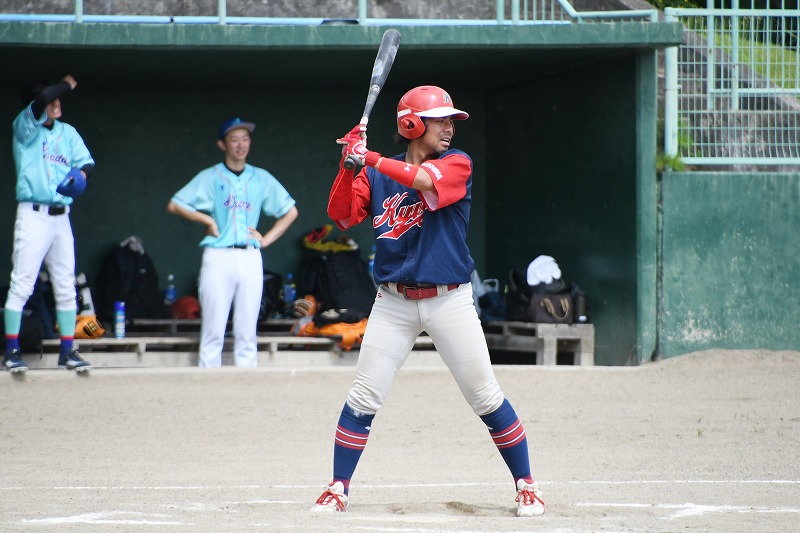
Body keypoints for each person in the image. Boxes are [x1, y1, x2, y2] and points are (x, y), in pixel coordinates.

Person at [311, 86, 545, 516]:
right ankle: (338, 487)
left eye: (451, 120)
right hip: (393, 302)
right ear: (410, 124)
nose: (449, 128)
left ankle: (526, 484)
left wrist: (369, 157)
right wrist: (348, 165)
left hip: (448, 300)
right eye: (440, 120)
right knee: (363, 396)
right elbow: (341, 215)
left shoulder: (457, 163)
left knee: (485, 395)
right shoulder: (377, 172)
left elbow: (423, 181)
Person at [167, 118, 298, 367]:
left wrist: (266, 240)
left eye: (245, 139)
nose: (241, 144)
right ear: (222, 144)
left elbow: (290, 211)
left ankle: (246, 386)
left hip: (250, 255)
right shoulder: (210, 176)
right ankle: (208, 382)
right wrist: (205, 219)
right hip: (218, 255)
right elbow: (175, 204)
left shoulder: (260, 177)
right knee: (213, 329)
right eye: (234, 139)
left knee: (247, 329)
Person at [4, 75, 94, 374]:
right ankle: (12, 351)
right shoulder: (25, 127)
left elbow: (86, 162)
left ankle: (68, 351)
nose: (56, 102)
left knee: (66, 285)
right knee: (23, 283)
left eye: (57, 98)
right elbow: (42, 99)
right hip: (33, 214)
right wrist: (67, 84)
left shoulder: (68, 132)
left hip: (61, 217)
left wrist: (81, 176)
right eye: (50, 99)